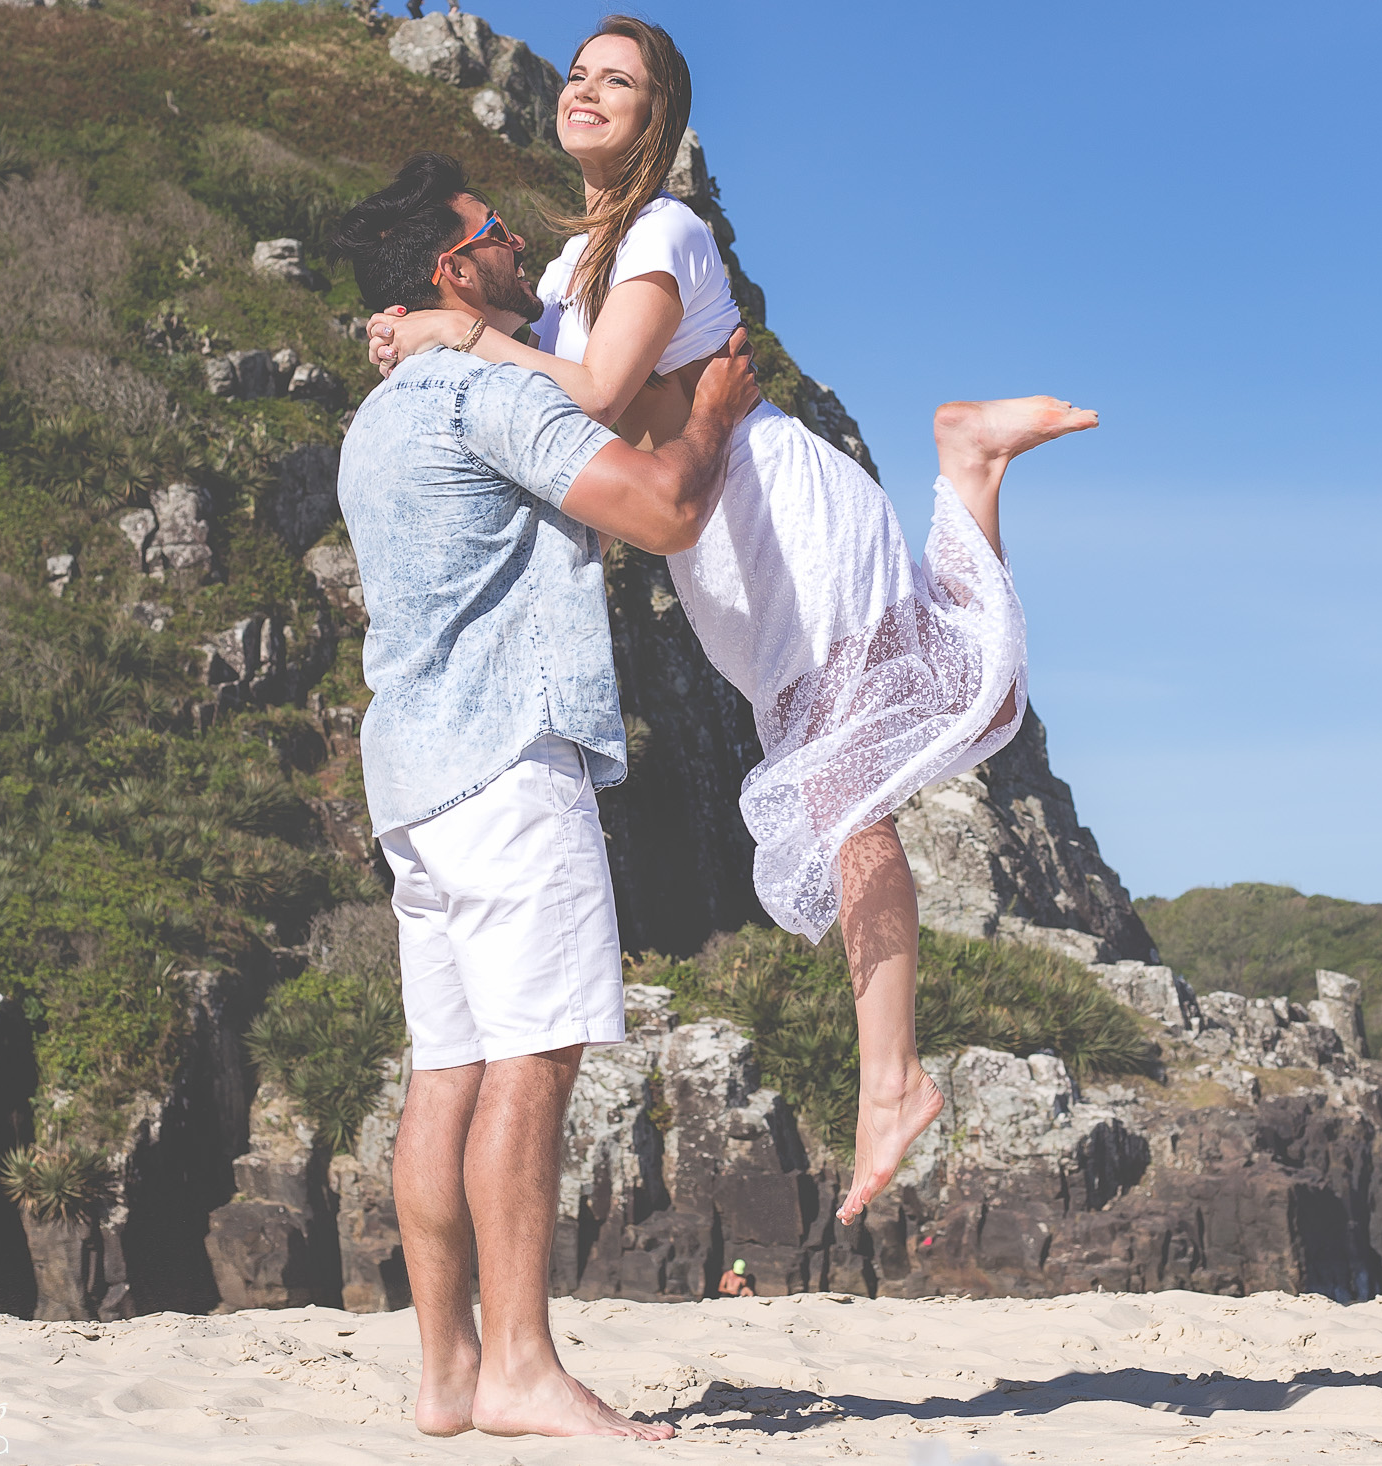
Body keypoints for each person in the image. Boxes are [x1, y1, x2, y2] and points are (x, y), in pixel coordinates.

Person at [366, 17, 1099, 1226]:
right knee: (844, 786)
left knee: (855, 788)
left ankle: (891, 1078)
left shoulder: (663, 232)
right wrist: (427, 330)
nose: (589, 90)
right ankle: (965, 463)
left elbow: (598, 395)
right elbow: (545, 405)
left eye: (620, 81)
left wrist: (457, 332)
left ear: (655, 121)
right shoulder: (557, 277)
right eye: (581, 74)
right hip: (721, 559)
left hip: (779, 513)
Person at [327, 151, 760, 1440]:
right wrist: (718, 410)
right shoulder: (471, 395)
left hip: (410, 783)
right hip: (510, 762)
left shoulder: (376, 417)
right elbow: (665, 507)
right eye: (500, 233)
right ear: (453, 268)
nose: (522, 247)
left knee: (444, 1074)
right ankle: (518, 1364)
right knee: (531, 1061)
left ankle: (447, 1373)